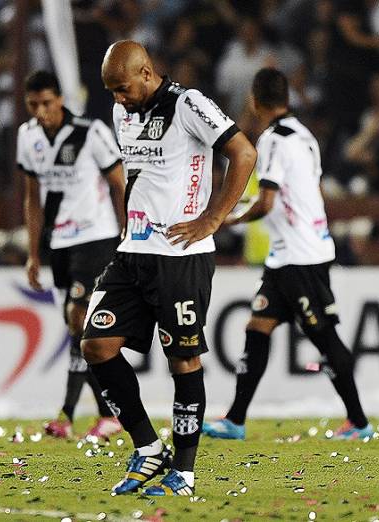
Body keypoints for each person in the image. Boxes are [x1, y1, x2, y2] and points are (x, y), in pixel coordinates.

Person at [82, 41, 255, 496]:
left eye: (122, 89)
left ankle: (184, 471)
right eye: (111, 92)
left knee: (183, 360)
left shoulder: (188, 104)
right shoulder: (123, 113)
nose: (117, 100)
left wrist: (212, 218)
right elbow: (137, 178)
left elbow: (244, 153)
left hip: (181, 257)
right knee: (96, 344)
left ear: (146, 72)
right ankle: (147, 448)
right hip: (132, 251)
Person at [201, 67, 373, 442]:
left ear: (253, 100)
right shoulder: (305, 135)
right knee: (257, 327)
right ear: (287, 98)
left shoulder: (274, 140)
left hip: (301, 256)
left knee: (324, 338)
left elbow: (266, 203)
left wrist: (227, 220)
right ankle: (235, 419)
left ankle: (359, 422)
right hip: (288, 255)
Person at [16, 70, 125, 440]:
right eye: (33, 105)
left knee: (78, 317)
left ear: (60, 99)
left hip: (96, 237)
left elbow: (119, 182)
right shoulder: (27, 137)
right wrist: (33, 254)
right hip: (59, 243)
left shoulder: (89, 132)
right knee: (77, 329)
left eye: (46, 103)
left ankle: (70, 413)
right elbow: (32, 198)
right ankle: (102, 413)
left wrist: (127, 230)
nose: (41, 111)